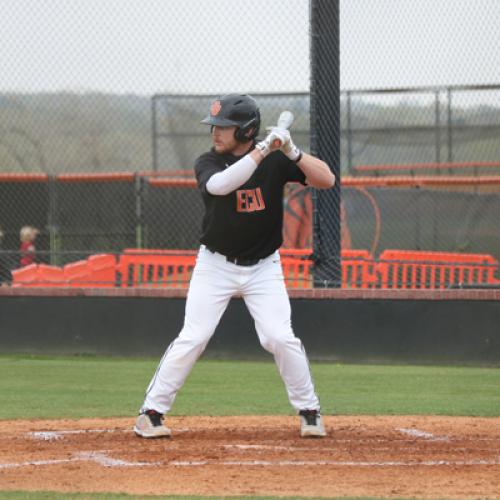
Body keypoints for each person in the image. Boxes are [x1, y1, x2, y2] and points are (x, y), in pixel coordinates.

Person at [134, 94, 335, 439]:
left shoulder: (274, 159)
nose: (215, 133)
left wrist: (292, 152)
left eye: (224, 127)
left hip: (264, 267)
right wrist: (263, 150)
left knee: (279, 337)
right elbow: (220, 185)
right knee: (194, 336)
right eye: (215, 126)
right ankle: (151, 413)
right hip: (216, 265)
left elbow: (327, 180)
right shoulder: (208, 161)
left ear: (246, 130)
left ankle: (310, 411)